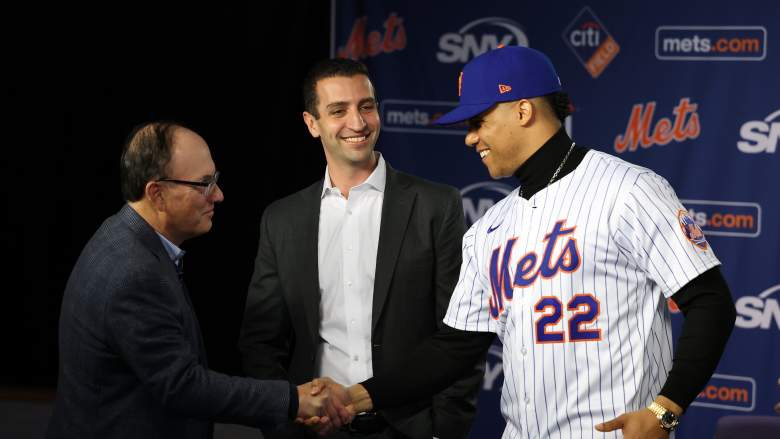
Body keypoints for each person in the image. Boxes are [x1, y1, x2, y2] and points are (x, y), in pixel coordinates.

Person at [323, 46, 736, 438]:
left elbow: (711, 301)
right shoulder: (490, 228)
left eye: (478, 121)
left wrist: (665, 410)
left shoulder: (629, 190)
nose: (469, 137)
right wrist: (355, 395)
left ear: (523, 110)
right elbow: (455, 347)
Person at [238, 58, 484, 439]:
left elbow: (459, 336)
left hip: (409, 428)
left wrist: (444, 430)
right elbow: (261, 341)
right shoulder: (282, 219)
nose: (358, 122)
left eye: (366, 106)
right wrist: (286, 420)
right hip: (313, 431)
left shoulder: (436, 205)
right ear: (311, 123)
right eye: (339, 111)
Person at [47, 121, 334, 439]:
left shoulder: (120, 234)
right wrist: (294, 400)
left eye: (216, 180)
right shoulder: (135, 273)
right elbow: (183, 386)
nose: (219, 195)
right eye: (204, 184)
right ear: (156, 194)